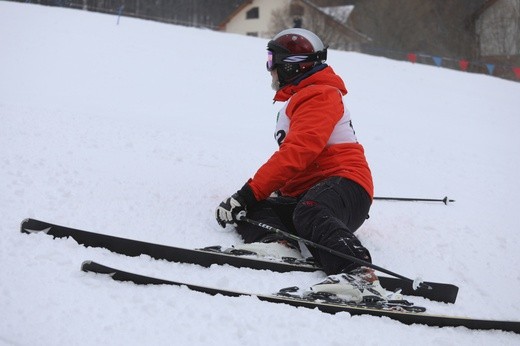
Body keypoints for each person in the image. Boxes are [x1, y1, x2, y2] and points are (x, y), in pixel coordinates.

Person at [216, 28, 397, 302]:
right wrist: (257, 197)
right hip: (317, 188)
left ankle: (359, 274)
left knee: (308, 210)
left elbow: (298, 152)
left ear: (291, 67)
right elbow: (300, 161)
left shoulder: (320, 95)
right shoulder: (302, 98)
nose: (269, 69)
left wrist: (247, 192)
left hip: (345, 184)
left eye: (271, 61)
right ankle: (278, 244)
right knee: (257, 206)